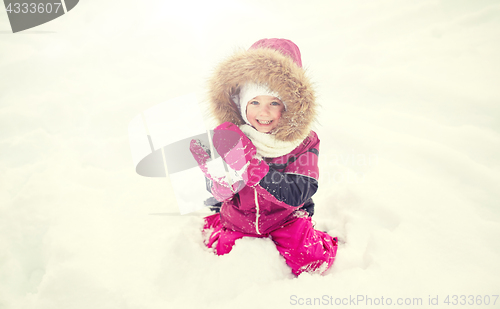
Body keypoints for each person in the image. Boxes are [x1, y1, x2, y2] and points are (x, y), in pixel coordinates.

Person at [190, 38, 338, 276]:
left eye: (274, 103)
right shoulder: (229, 138)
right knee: (222, 257)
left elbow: (300, 190)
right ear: (241, 105)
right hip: (240, 217)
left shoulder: (304, 142)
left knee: (309, 261)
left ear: (289, 107)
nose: (264, 111)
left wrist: (257, 170)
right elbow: (219, 189)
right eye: (255, 102)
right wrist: (219, 182)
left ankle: (324, 242)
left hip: (287, 219)